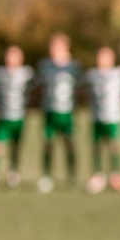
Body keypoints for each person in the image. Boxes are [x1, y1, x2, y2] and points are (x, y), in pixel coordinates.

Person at [0, 46, 34, 191]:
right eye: (9, 56)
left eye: (14, 56)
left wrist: (30, 104)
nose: (10, 59)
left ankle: (13, 172)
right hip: (3, 116)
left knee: (16, 145)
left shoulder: (27, 73)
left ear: (20, 58)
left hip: (19, 117)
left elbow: (36, 89)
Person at [34, 33, 81, 194]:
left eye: (58, 46)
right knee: (48, 142)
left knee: (70, 142)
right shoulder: (44, 66)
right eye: (52, 46)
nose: (54, 49)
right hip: (49, 111)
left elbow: (79, 88)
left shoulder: (74, 66)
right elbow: (38, 87)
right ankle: (46, 176)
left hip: (67, 112)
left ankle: (72, 175)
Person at [83, 47, 120, 194]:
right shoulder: (91, 75)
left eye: (106, 57)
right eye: (100, 57)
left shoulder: (119, 74)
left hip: (114, 116)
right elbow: (86, 93)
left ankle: (116, 174)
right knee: (96, 145)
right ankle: (98, 175)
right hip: (97, 117)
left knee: (115, 145)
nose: (102, 60)